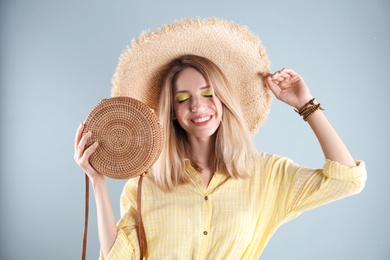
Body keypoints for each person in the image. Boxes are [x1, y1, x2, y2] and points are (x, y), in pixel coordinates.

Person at [74, 19, 366, 259]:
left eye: (208, 94)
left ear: (224, 100)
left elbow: (346, 180)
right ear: (173, 112)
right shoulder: (145, 183)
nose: (197, 107)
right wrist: (97, 182)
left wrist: (307, 105)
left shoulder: (267, 176)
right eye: (183, 99)